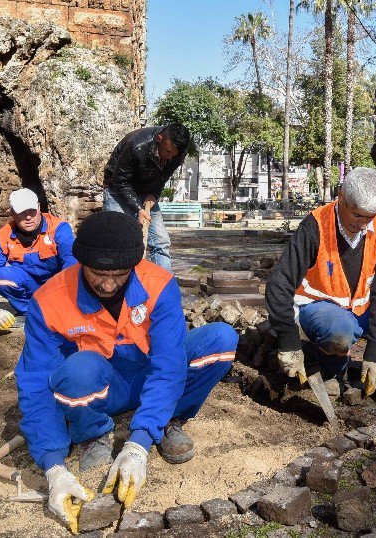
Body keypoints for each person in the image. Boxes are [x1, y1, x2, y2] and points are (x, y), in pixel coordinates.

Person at [15, 211, 237, 532]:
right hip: (103, 388)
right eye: (97, 273)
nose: (107, 284)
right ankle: (93, 433)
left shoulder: (159, 285)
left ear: (134, 264)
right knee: (79, 371)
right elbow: (36, 384)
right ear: (80, 262)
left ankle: (167, 418)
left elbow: (169, 364)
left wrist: (139, 443)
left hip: (148, 376)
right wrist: (53, 467)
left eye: (119, 274)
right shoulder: (49, 300)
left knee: (221, 339)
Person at [265, 168, 376, 411]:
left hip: (361, 306)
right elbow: (279, 284)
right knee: (340, 330)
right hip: (322, 309)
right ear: (340, 198)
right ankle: (332, 372)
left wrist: (375, 353)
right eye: (357, 215)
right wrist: (288, 340)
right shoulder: (316, 225)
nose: (364, 224)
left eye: (370, 217)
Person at [0, 188, 75, 330]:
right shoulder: (3, 236)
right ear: (12, 213)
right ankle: (29, 313)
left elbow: (72, 265)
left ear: (39, 208)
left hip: (57, 289)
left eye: (32, 211)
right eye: (22, 212)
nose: (28, 217)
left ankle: (58, 310)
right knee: (0, 276)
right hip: (30, 288)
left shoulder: (59, 228)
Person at [102, 123, 191, 272]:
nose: (170, 157)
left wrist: (154, 195)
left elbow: (163, 176)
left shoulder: (178, 153)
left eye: (173, 155)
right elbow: (120, 180)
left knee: (161, 242)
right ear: (159, 138)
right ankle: (121, 289)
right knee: (120, 241)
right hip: (117, 189)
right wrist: (137, 208)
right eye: (168, 151)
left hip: (145, 193)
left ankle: (163, 288)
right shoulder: (136, 145)